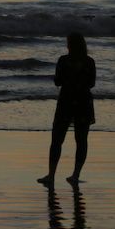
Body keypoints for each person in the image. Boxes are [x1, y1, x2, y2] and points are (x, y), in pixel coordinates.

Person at [38, 32, 96, 187]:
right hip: (84, 102)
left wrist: (66, 79)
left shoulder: (63, 61)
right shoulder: (89, 61)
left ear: (69, 45)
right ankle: (76, 174)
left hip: (66, 101)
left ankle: (51, 175)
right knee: (81, 139)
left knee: (57, 139)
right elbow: (91, 84)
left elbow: (57, 82)